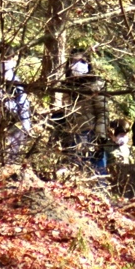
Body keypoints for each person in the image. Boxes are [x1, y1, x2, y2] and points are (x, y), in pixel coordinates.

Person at [54, 47, 109, 180]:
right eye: (75, 61)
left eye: (83, 61)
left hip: (90, 132)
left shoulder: (96, 85)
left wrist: (100, 136)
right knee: (76, 169)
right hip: (72, 133)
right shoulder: (67, 86)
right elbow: (64, 110)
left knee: (96, 170)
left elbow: (102, 112)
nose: (79, 65)